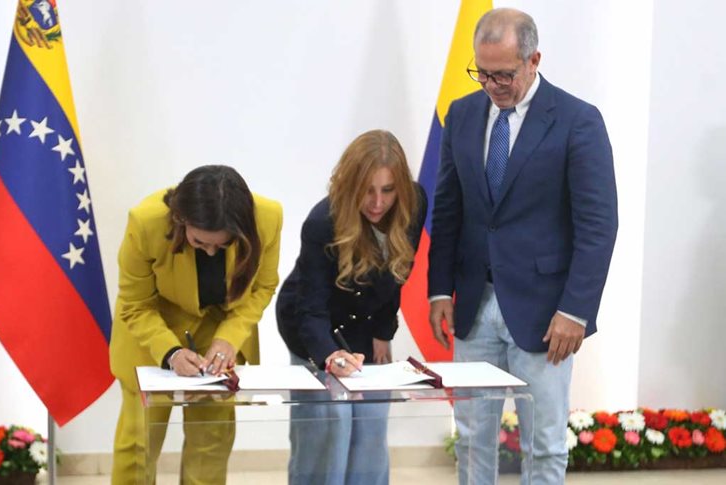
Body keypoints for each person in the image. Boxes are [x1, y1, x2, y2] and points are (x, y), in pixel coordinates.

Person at [427, 8, 618, 485]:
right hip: (473, 304)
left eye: (504, 74)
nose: (492, 84)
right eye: (483, 73)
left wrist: (576, 310)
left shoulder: (578, 120)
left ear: (534, 59)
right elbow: (448, 209)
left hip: (547, 312)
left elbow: (598, 224)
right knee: (471, 438)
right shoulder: (463, 113)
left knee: (544, 443)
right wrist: (438, 290)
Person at [109, 165, 282, 485]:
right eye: (200, 243)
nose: (211, 251)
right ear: (180, 219)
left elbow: (262, 288)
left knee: (211, 440)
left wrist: (229, 339)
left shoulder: (267, 218)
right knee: (138, 444)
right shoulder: (145, 222)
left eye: (223, 244)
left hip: (219, 330)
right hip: (152, 331)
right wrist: (171, 352)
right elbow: (136, 305)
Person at [277, 129, 427, 485]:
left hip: (367, 321)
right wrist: (329, 355)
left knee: (371, 430)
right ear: (349, 184)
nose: (377, 202)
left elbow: (398, 273)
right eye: (367, 190)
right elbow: (311, 309)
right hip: (311, 326)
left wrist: (382, 332)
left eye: (387, 190)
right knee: (329, 429)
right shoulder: (321, 222)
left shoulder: (414, 203)